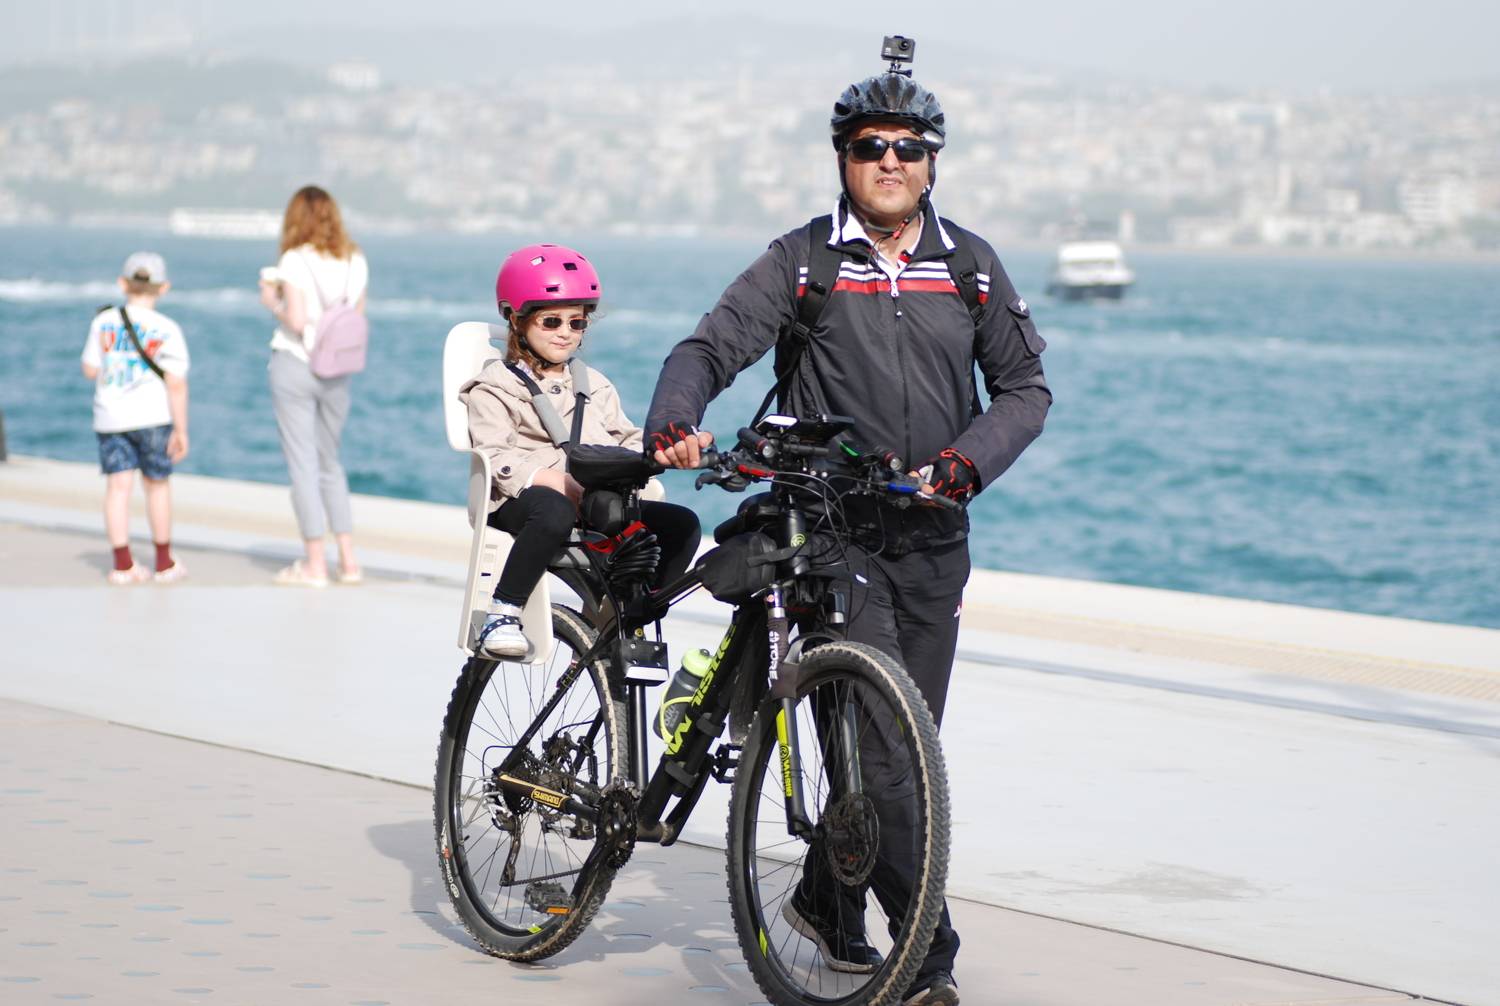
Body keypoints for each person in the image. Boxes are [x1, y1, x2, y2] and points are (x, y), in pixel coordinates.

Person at [646, 57, 1051, 1006]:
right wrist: (676, 416)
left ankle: (829, 902)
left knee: (904, 755)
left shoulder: (969, 266)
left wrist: (964, 464)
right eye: (871, 147)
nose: (890, 162)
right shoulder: (804, 262)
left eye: (909, 148)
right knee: (886, 753)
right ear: (843, 158)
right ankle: (926, 960)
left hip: (934, 538)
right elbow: (710, 347)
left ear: (934, 162)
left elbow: (1025, 390)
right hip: (833, 535)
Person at [460, 244, 701, 657]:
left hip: (591, 497)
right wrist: (557, 481)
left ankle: (622, 613)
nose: (565, 333)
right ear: (516, 319)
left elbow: (626, 438)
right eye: (551, 321)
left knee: (682, 524)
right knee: (554, 510)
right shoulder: (495, 386)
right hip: (521, 499)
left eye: (577, 322)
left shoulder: (594, 384)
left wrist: (659, 451)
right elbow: (495, 456)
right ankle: (504, 611)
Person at [258, 185, 368, 587]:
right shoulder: (355, 259)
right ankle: (349, 561)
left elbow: (297, 320)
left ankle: (315, 565)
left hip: (297, 364)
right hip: (338, 369)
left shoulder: (294, 260)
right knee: (330, 462)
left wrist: (271, 300)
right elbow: (356, 318)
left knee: (303, 464)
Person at [80, 251, 191, 585]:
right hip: (153, 416)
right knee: (157, 486)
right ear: (164, 287)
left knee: (118, 488)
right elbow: (176, 384)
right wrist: (181, 430)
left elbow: (90, 369)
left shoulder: (103, 321)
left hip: (111, 417)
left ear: (123, 283)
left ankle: (123, 564)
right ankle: (164, 562)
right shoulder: (167, 328)